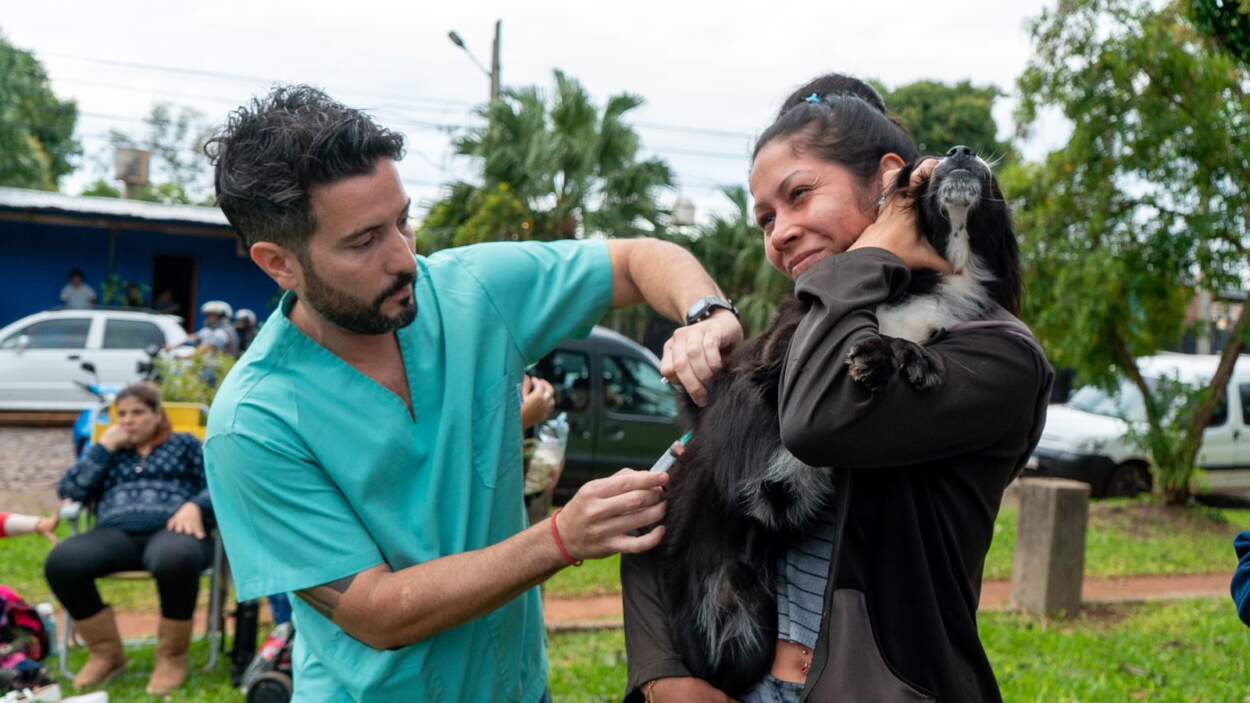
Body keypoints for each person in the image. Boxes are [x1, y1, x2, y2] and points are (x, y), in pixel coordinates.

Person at [200, 85, 743, 702]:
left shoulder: (469, 293)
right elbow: (378, 612)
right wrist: (562, 538)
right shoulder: (254, 422)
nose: (404, 257)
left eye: (402, 219)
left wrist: (706, 314)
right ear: (279, 263)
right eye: (363, 241)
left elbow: (638, 258)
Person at [621, 73, 1054, 703]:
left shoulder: (996, 354)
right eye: (766, 218)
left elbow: (817, 422)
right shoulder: (797, 342)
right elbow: (659, 503)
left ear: (888, 182)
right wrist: (663, 677)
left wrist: (872, 252)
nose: (781, 232)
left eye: (799, 196)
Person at [44, 383, 214, 695]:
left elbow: (218, 482)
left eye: (137, 412)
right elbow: (71, 491)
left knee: (175, 559)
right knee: (62, 563)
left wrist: (195, 506)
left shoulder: (186, 445)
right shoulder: (109, 452)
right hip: (115, 534)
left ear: (157, 415)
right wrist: (103, 448)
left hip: (174, 530)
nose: (128, 420)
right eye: (121, 414)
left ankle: (172, 657)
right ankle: (107, 654)